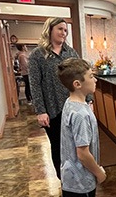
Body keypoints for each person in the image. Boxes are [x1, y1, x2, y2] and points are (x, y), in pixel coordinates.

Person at [58, 58, 107, 197]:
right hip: (80, 178)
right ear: (78, 83)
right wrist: (99, 173)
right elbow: (83, 152)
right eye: (90, 76)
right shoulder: (79, 113)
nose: (94, 79)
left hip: (72, 175)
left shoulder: (73, 104)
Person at [28, 18, 79, 178]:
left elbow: (82, 75)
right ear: (49, 30)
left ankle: (76, 177)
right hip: (52, 109)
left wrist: (89, 99)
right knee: (58, 147)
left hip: (73, 107)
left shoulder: (70, 52)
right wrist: (40, 111)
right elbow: (35, 84)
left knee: (76, 145)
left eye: (65, 30)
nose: (63, 33)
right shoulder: (38, 55)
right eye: (60, 29)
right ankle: (63, 179)